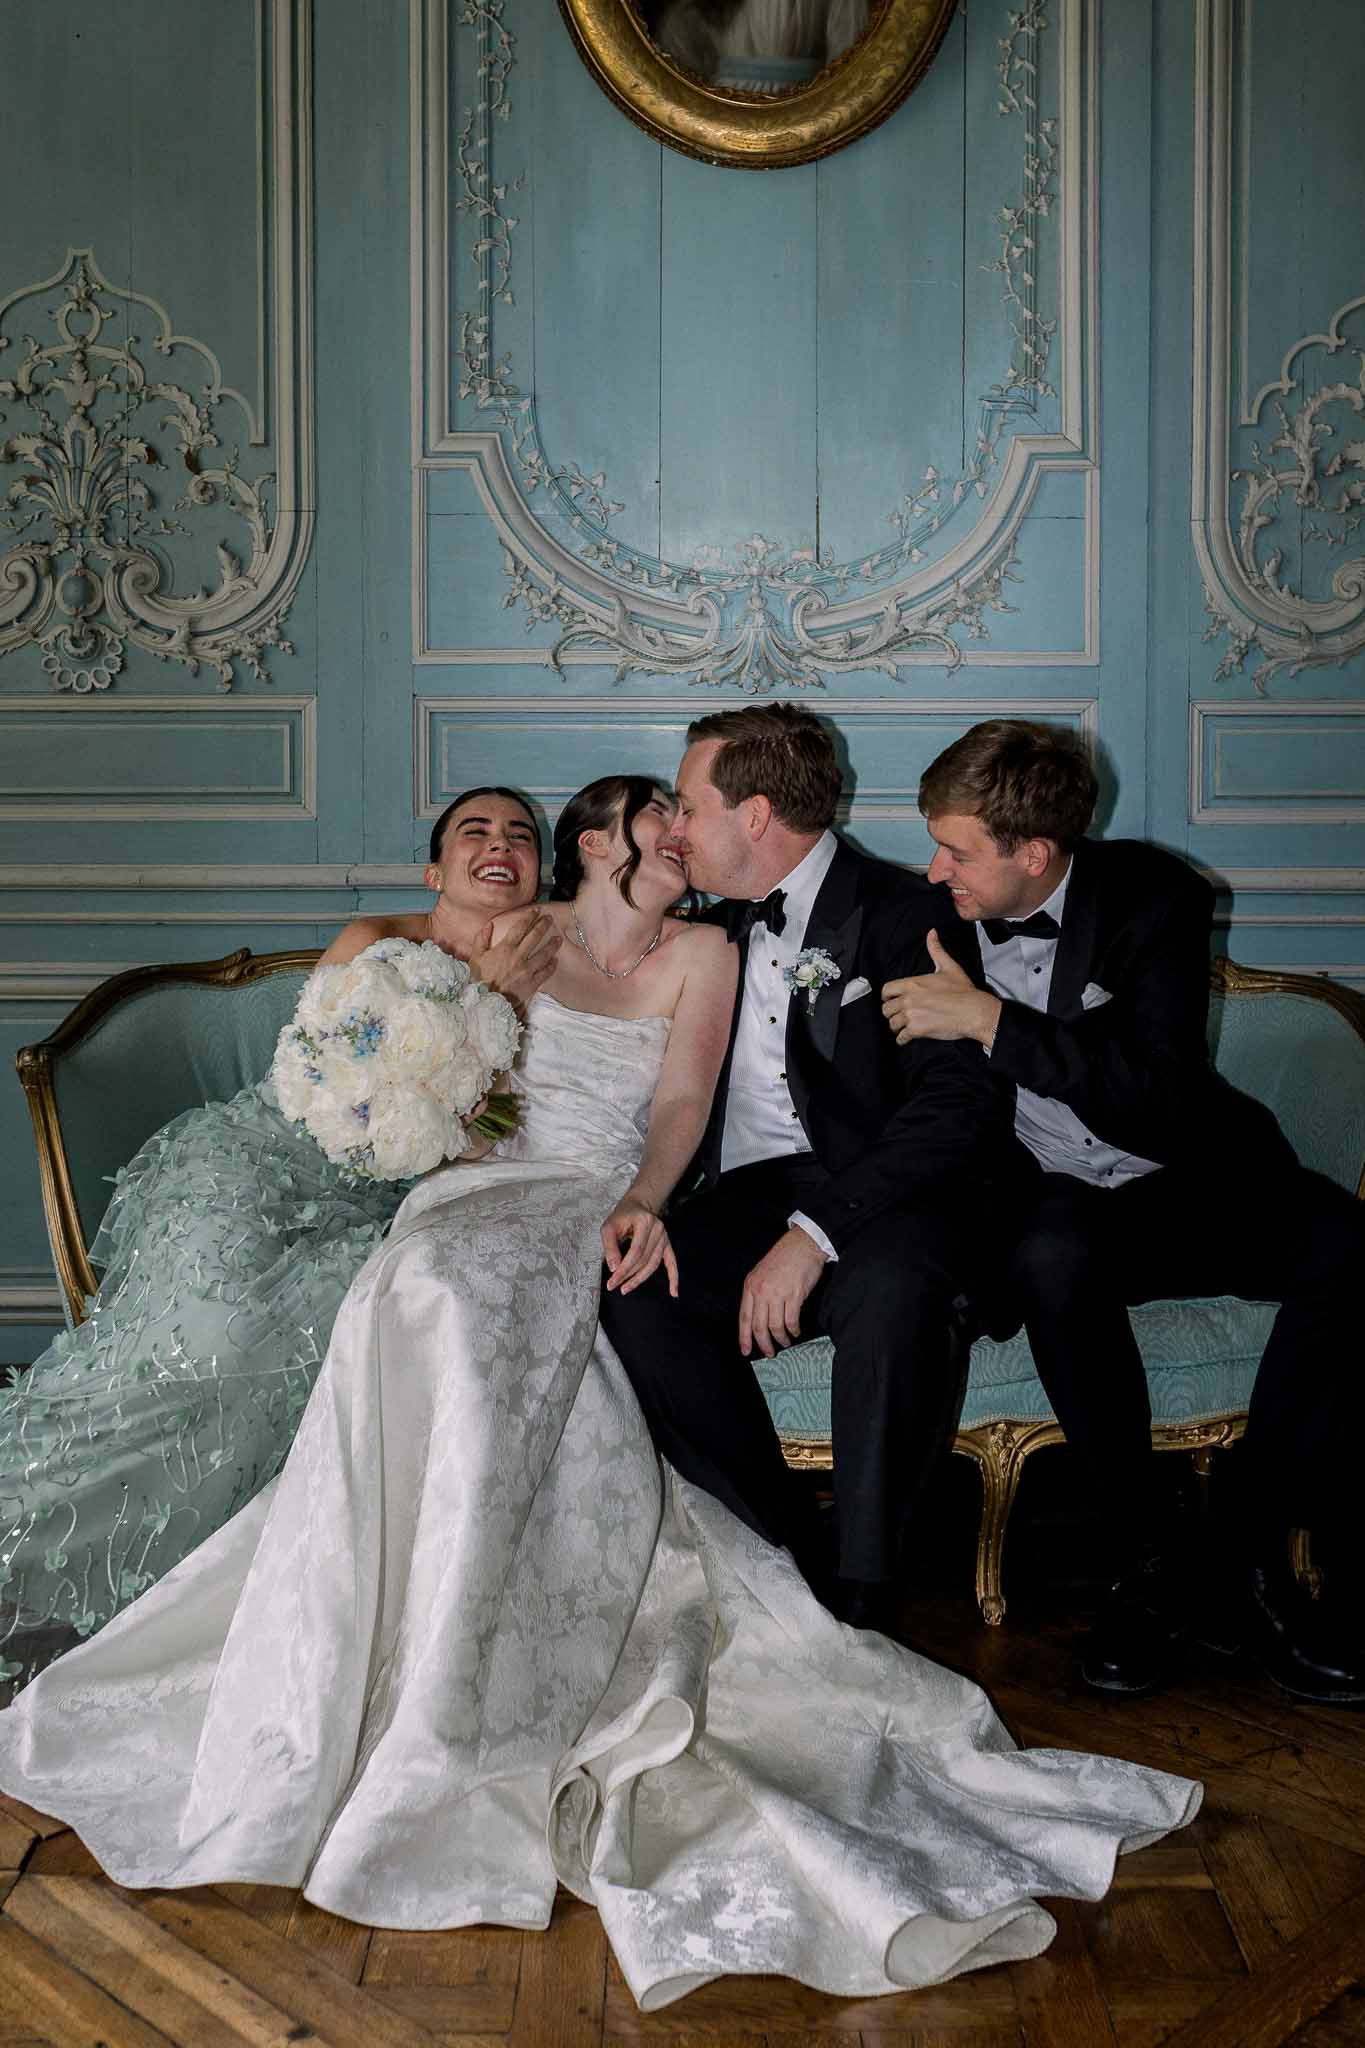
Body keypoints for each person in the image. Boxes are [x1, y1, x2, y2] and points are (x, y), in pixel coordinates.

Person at [0, 766, 1199, 2009]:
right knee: (421, 1291)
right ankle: (377, 1639)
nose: (677, 835)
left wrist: (638, 1200)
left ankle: (474, 1680)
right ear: (594, 845)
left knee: (480, 1306)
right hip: (468, 1198)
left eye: (687, 817)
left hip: (589, 1203)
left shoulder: (711, 952)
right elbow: (432, 1087)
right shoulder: (515, 939)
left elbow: (682, 1100)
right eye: (654, 822)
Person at [0, 786, 557, 1696]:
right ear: (434, 868)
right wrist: (479, 1003)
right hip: (251, 1164)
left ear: (540, 867)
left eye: (521, 836)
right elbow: (320, 1083)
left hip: (370, 1213)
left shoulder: (549, 966)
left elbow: (489, 1136)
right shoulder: (373, 942)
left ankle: (117, 1601)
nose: (500, 846)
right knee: (197, 1343)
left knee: (287, 1345)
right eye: (475, 831)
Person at [881, 717, 1365, 1703]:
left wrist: (991, 1020)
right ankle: (1150, 1560)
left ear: (1037, 852)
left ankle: (1252, 1557)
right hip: (1052, 1202)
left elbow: (1152, 1092)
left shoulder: (1158, 897)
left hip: (1187, 1178)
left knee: (1349, 1245)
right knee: (1054, 1253)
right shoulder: (919, 918)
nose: (935, 868)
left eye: (958, 848)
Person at [600, 703, 1008, 1638]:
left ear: (753, 817)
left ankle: (865, 1595)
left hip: (881, 1195)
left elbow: (956, 1106)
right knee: (635, 1292)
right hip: (743, 1195)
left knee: (895, 1290)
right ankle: (780, 1555)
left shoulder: (906, 914)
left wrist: (816, 1232)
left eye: (689, 808)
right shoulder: (698, 917)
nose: (672, 829)